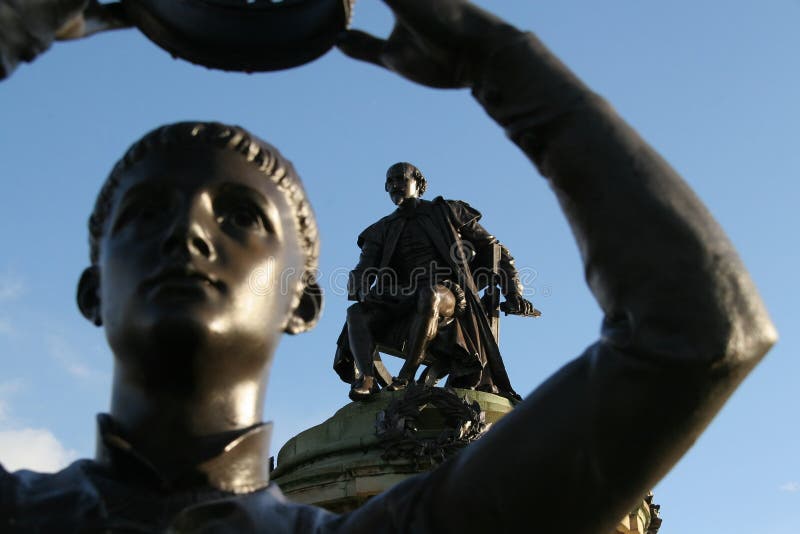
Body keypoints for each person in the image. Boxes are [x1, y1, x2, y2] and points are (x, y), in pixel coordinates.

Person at [0, 0, 777, 533]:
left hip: (443, 291)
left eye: (241, 217)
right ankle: (374, 373)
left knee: (430, 298)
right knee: (373, 312)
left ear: (297, 301)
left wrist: (504, 64)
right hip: (390, 296)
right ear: (92, 289)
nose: (189, 235)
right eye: (147, 215)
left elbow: (701, 332)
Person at [334, 161, 536, 401]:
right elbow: (365, 267)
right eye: (389, 182)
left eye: (400, 178)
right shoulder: (380, 229)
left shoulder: (447, 212)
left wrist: (513, 292)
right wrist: (357, 283)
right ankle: (366, 379)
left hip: (447, 292)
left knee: (429, 293)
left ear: (418, 183)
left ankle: (407, 374)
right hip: (401, 296)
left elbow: (495, 249)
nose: (394, 185)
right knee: (356, 313)